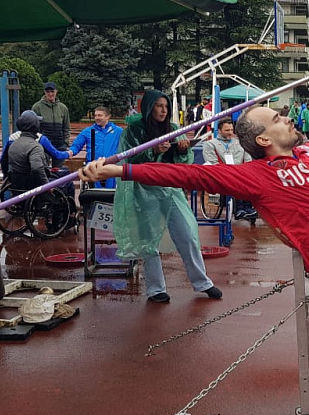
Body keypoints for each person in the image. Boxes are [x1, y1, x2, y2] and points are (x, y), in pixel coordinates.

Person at [79, 101, 309, 402]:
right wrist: (118, 169)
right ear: (263, 139)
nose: (287, 119)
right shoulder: (256, 175)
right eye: (276, 119)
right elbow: (189, 176)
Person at [114, 89, 221, 304]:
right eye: (159, 106)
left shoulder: (172, 129)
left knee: (187, 233)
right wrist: (153, 151)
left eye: (166, 107)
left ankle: (202, 282)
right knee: (148, 242)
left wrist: (181, 150)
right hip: (144, 193)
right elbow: (128, 162)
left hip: (170, 190)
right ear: (149, 107)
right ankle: (155, 289)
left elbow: (185, 162)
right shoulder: (133, 131)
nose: (163, 111)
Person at [201, 117, 257, 221]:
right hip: (222, 173)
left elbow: (248, 159)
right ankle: (239, 209)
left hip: (240, 172)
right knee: (236, 181)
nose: (230, 133)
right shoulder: (210, 144)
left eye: (232, 130)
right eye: (227, 130)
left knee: (250, 180)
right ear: (219, 131)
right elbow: (212, 162)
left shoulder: (240, 143)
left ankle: (248, 208)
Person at [69, 106, 123, 189]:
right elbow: (76, 145)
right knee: (95, 191)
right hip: (93, 167)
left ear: (108, 117)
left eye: (100, 115)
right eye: (95, 115)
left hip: (111, 167)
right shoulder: (88, 131)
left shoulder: (118, 131)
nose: (97, 118)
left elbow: (128, 145)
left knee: (111, 192)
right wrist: (71, 152)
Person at [31, 81, 71, 156]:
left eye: (52, 91)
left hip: (60, 146)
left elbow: (66, 127)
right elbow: (33, 128)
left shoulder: (63, 108)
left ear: (56, 91)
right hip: (43, 146)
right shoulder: (37, 107)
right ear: (44, 92)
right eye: (47, 91)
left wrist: (65, 143)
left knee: (58, 168)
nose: (50, 94)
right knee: (43, 167)